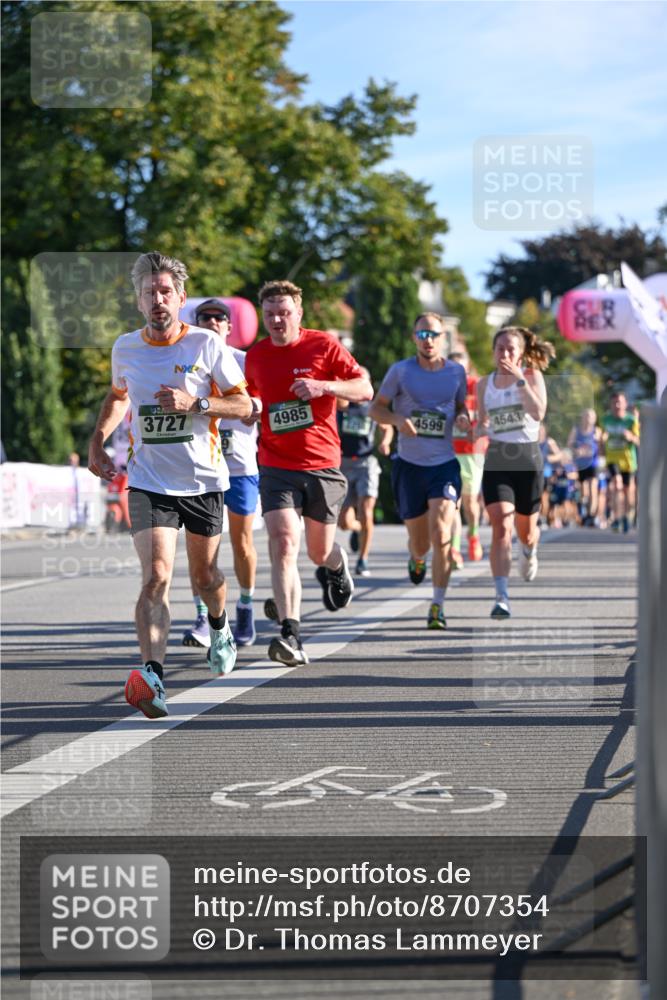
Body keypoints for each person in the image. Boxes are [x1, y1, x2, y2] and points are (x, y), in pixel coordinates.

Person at [88, 252, 252, 719]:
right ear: (138, 301)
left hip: (202, 479)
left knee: (206, 578)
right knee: (156, 576)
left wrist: (196, 403)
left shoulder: (205, 345)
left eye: (165, 292)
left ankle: (219, 625)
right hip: (148, 479)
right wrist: (99, 438)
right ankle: (152, 675)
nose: (158, 300)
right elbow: (119, 396)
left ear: (180, 298)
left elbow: (246, 406)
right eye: (149, 293)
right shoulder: (125, 348)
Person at [244, 280, 373, 666]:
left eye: (284, 313)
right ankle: (290, 633)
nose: (277, 320)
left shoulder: (324, 346)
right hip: (275, 464)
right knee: (284, 543)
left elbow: (364, 389)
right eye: (270, 315)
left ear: (299, 313)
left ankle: (337, 566)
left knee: (318, 552)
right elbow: (248, 395)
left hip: (322, 464)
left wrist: (322, 386)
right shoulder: (256, 356)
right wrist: (249, 406)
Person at [370, 312, 469, 630]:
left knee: (442, 534)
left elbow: (460, 407)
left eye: (434, 334)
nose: (428, 340)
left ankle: (437, 604)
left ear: (444, 338)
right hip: (409, 467)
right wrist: (397, 420)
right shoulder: (400, 371)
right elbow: (376, 408)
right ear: (414, 338)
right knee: (421, 543)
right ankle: (416, 558)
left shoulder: (456, 372)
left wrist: (464, 418)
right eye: (422, 334)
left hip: (444, 464)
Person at [181, 298, 259, 648]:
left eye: (219, 318)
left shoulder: (246, 362)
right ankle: (202, 615)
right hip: (199, 466)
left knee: (241, 543)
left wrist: (252, 407)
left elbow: (258, 404)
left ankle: (245, 607)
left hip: (240, 464)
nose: (212, 322)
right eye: (205, 318)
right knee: (198, 549)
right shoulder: (185, 362)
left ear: (229, 326)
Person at [476, 325, 554, 619]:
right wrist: (475, 427)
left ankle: (530, 551)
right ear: (493, 351)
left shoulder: (533, 377)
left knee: (527, 532)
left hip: (527, 459)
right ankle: (501, 595)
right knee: (500, 526)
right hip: (497, 457)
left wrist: (520, 379)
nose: (505, 354)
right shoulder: (484, 384)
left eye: (511, 349)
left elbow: (538, 412)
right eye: (500, 349)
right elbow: (480, 423)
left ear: (521, 354)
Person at [337, 368, 393, 577]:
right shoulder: (342, 405)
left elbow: (387, 427)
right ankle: (358, 529)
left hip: (366, 462)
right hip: (343, 463)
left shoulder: (372, 408)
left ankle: (363, 559)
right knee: (343, 522)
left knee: (366, 510)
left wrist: (385, 442)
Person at [447, 350, 486, 564]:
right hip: (448, 451)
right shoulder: (442, 389)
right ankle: (453, 549)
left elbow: (488, 418)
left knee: (470, 502)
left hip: (472, 451)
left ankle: (473, 534)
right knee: (453, 502)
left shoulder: (477, 387)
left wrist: (474, 426)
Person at [601, 391, 640, 533]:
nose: (617, 405)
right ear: (611, 405)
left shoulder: (631, 421)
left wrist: (630, 437)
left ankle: (625, 516)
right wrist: (601, 440)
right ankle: (617, 517)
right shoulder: (605, 419)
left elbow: (638, 440)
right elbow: (601, 436)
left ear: (625, 404)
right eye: (614, 403)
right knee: (616, 485)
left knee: (628, 493)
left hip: (628, 461)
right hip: (612, 459)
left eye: (619, 402)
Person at [567, 408, 602, 526]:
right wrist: (577, 451)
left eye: (591, 416)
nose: (588, 419)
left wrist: (600, 442)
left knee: (593, 487)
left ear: (594, 419)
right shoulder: (576, 430)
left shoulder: (597, 431)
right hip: (581, 464)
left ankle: (591, 516)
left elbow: (602, 447)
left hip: (593, 463)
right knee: (583, 490)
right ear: (582, 417)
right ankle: (584, 512)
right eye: (586, 416)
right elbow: (570, 445)